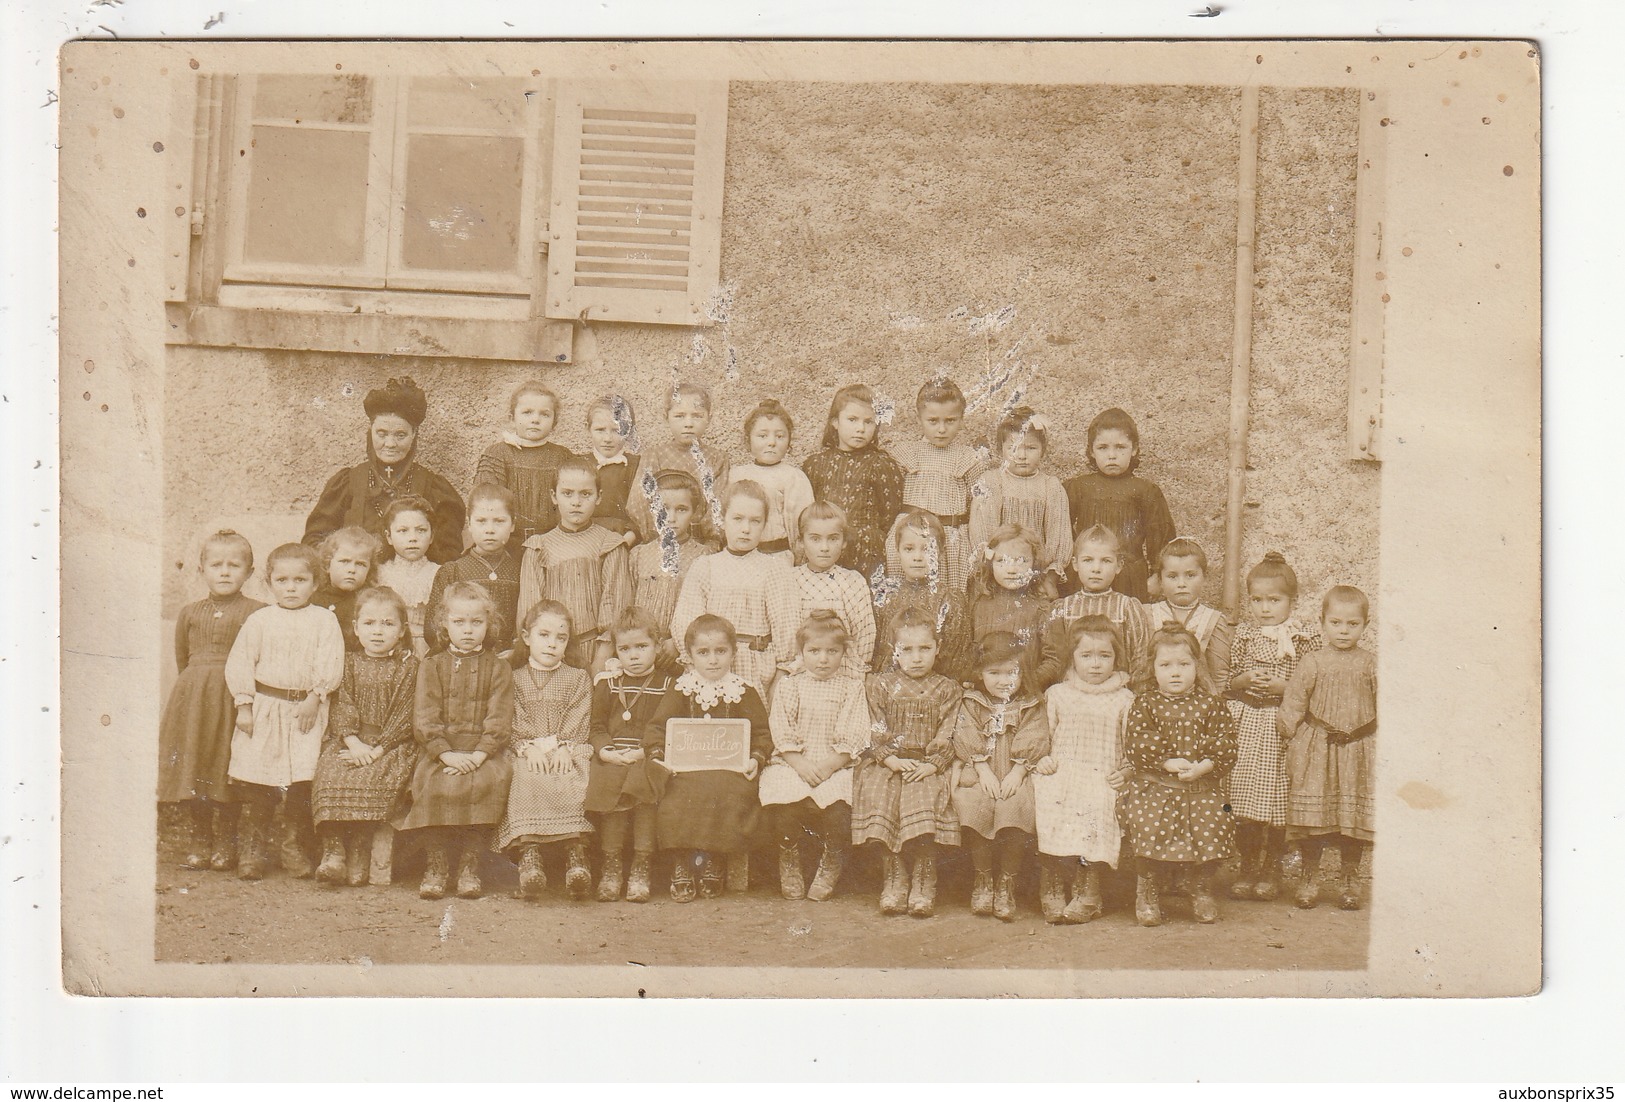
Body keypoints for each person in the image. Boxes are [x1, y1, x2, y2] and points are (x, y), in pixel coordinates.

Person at [223, 543, 346, 881]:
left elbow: (331, 661)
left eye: (300, 580)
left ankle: (293, 846)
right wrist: (244, 705)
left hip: (306, 710)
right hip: (264, 707)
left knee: (300, 782)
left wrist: (316, 696)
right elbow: (241, 663)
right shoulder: (259, 620)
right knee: (257, 780)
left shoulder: (324, 619)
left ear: (315, 583)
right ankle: (253, 848)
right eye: (282, 580)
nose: (291, 588)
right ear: (268, 583)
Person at [393, 581, 514, 900]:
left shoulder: (499, 667)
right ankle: (437, 865)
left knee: (486, 782)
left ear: (489, 624)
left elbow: (499, 719)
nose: (468, 630)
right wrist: (444, 754)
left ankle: (469, 866)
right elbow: (425, 718)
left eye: (477, 622)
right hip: (440, 753)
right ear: (444, 624)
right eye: (459, 622)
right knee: (433, 784)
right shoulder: (432, 665)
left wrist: (479, 754)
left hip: (483, 753)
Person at [1118, 622, 1238, 926]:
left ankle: (1200, 887)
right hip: (1156, 784)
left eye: (1184, 664)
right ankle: (1148, 888)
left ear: (1197, 667)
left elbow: (1226, 744)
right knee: (1147, 821)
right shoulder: (1144, 703)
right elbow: (1138, 742)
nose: (1175, 672)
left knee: (1215, 818)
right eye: (1166, 665)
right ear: (1152, 668)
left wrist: (1204, 766)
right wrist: (1167, 762)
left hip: (1201, 786)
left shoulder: (1212, 704)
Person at [645, 615, 771, 902]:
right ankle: (682, 862)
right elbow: (656, 728)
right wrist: (658, 756)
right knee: (678, 793)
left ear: (733, 653)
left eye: (720, 651)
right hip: (685, 771)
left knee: (728, 790)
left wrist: (755, 758)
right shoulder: (681, 690)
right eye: (703, 653)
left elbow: (763, 734)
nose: (713, 660)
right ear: (689, 657)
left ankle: (715, 859)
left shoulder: (743, 691)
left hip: (728, 770)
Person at [158, 530, 263, 873]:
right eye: (216, 564)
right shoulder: (190, 613)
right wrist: (192, 689)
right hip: (195, 698)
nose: (225, 571)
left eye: (234, 565)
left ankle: (228, 839)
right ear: (201, 569)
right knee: (197, 765)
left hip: (234, 697)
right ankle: (200, 837)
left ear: (249, 571)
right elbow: (182, 658)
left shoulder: (258, 612)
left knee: (226, 766)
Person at [850, 608, 962, 917]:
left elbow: (951, 731)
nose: (916, 657)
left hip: (927, 763)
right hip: (889, 762)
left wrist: (935, 763)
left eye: (925, 649)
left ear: (937, 649)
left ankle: (925, 876)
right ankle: (895, 874)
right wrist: (889, 758)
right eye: (907, 650)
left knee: (923, 795)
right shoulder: (879, 685)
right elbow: (873, 726)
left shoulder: (947, 689)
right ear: (894, 652)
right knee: (882, 793)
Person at [1225, 551, 1320, 902]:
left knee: (1277, 801)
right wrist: (1245, 678)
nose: (1265, 608)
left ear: (1292, 602)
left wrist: (1285, 687)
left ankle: (1272, 867)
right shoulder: (1246, 637)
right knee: (1245, 800)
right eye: (1257, 600)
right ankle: (1248, 863)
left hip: (1283, 727)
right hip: (1250, 723)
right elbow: (1228, 681)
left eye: (1274, 600)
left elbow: (1314, 684)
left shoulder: (1302, 640)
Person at [310, 586, 418, 888]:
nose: (378, 632)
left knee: (376, 778)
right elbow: (342, 703)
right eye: (369, 624)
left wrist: (379, 749)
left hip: (391, 745)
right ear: (356, 628)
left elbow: (405, 712)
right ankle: (334, 851)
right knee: (330, 773)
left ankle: (359, 848)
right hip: (351, 740)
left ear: (401, 630)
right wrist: (353, 742)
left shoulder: (408, 666)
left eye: (388, 624)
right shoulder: (349, 663)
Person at [760, 610, 870, 902]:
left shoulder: (851, 687)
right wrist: (798, 762)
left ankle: (832, 859)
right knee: (783, 797)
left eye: (832, 651)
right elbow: (781, 727)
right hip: (795, 761)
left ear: (843, 653)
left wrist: (832, 763)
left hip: (835, 763)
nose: (823, 659)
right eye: (814, 651)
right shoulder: (790, 685)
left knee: (838, 804)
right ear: (802, 652)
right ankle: (789, 859)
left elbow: (855, 731)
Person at [1279, 585, 1377, 910]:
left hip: (1359, 750)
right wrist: (1289, 730)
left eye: (1353, 624)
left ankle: (1350, 877)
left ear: (1365, 625)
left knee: (1353, 824)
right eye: (1336, 623)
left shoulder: (1371, 664)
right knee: (1316, 819)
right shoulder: (1313, 661)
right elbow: (1295, 699)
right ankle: (1310, 875)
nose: (1344, 630)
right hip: (1319, 749)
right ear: (1323, 623)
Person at [1033, 615, 1135, 924]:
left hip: (1103, 772)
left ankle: (1088, 887)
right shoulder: (1058, 694)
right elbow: (1042, 738)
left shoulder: (1125, 698)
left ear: (1116, 658)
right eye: (1086, 656)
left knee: (1098, 804)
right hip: (1062, 770)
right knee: (1049, 799)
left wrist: (1127, 771)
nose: (1095, 664)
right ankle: (1050, 882)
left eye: (1104, 656)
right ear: (1072, 657)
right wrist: (1043, 759)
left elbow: (1133, 747)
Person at [303, 376, 465, 565]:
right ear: (370, 432)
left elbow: (448, 557)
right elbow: (315, 542)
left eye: (400, 435)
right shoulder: (348, 483)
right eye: (382, 434)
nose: (390, 444)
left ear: (414, 435)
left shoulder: (433, 487)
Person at [497, 601, 596, 902]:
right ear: (527, 637)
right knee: (525, 775)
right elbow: (512, 718)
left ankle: (575, 856)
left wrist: (566, 745)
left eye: (560, 638)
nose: (552, 644)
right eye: (544, 635)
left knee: (573, 772)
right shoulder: (513, 677)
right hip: (528, 749)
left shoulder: (578, 678)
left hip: (568, 746)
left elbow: (580, 716)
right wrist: (527, 746)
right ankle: (530, 856)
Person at [950, 631, 1051, 922]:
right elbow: (965, 733)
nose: (1003, 680)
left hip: (1016, 772)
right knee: (975, 804)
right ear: (980, 674)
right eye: (994, 672)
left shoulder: (1030, 703)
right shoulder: (971, 701)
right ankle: (983, 879)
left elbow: (1036, 735)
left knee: (1015, 808)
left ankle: (1007, 881)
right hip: (980, 769)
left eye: (1011, 672)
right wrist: (982, 768)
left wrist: (1019, 771)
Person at [670, 480, 801, 700]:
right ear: (723, 520)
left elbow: (787, 626)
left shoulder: (775, 568)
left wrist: (780, 676)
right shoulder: (706, 566)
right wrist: (695, 663)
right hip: (710, 667)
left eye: (755, 521)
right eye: (738, 519)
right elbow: (686, 620)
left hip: (759, 670)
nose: (746, 529)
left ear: (764, 524)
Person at [585, 609, 675, 904]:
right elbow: (596, 727)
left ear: (658, 646)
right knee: (610, 784)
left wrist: (646, 752)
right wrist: (606, 751)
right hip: (613, 755)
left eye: (641, 647)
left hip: (648, 754)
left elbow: (665, 727)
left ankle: (641, 865)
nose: (633, 656)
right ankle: (611, 866)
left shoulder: (668, 685)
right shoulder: (607, 683)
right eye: (624, 649)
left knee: (644, 787)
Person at [516, 457, 633, 672]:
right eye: (567, 493)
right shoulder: (539, 548)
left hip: (595, 651)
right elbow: (530, 610)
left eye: (585, 494)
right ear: (554, 496)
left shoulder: (609, 544)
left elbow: (616, 605)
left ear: (599, 497)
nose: (576, 502)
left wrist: (601, 659)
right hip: (549, 652)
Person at [1062, 407, 1175, 600]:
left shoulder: (1146, 491)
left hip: (1130, 577)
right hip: (1087, 575)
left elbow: (1161, 536)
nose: (1112, 455)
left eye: (1120, 447)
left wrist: (1157, 575)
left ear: (1135, 449)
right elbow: (1060, 529)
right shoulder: (1078, 488)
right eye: (1103, 447)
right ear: (1091, 451)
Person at [885, 378, 986, 592]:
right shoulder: (906, 453)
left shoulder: (968, 458)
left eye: (950, 421)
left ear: (961, 420)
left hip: (950, 538)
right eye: (933, 421)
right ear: (919, 418)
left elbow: (978, 506)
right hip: (909, 535)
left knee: (949, 597)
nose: (941, 429)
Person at [802, 384, 905, 582]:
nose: (860, 429)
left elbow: (890, 514)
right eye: (852, 420)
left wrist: (866, 535)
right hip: (825, 548)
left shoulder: (882, 464)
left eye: (868, 422)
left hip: (867, 552)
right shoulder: (816, 464)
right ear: (835, 422)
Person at [1035, 524, 1154, 689]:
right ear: (1075, 564)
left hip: (1117, 693)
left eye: (1105, 561)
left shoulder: (1128, 607)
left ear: (1119, 565)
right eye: (1088, 560)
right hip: (1073, 693)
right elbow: (1056, 659)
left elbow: (1140, 659)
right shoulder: (1063, 608)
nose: (1096, 569)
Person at [968, 405, 1072, 583]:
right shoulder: (992, 482)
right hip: (998, 573)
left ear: (1043, 450)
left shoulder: (1051, 487)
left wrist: (1049, 575)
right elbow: (982, 533)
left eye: (1031, 448)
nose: (1022, 455)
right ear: (1001, 450)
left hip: (1037, 575)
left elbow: (1058, 536)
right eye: (1014, 448)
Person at [871, 508, 971, 683]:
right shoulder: (886, 596)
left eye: (927, 549)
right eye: (909, 549)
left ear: (940, 552)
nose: (918, 557)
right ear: (898, 551)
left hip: (936, 689)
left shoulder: (950, 599)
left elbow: (956, 660)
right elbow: (880, 651)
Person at [626, 471, 713, 669]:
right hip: (641, 652)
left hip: (683, 651)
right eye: (664, 509)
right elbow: (629, 607)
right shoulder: (639, 554)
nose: (671, 518)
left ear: (694, 513)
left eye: (681, 510)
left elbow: (707, 610)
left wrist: (677, 642)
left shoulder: (705, 557)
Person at [473, 380, 572, 551]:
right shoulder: (497, 454)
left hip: (553, 543)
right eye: (527, 412)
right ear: (512, 418)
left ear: (555, 422)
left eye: (545, 414)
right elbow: (486, 504)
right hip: (506, 544)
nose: (535, 419)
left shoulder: (562, 456)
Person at [425, 484, 522, 659]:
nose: (490, 529)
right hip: (462, 660)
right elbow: (433, 629)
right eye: (481, 521)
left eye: (499, 521)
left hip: (508, 662)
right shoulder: (453, 571)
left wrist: (517, 651)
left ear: (513, 524)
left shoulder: (521, 570)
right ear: (469, 524)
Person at [630, 381, 731, 539]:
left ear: (709, 419)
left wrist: (707, 540)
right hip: (660, 540)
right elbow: (638, 504)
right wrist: (656, 537)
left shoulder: (718, 459)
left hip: (701, 542)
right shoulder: (654, 455)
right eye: (680, 416)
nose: (688, 424)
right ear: (666, 417)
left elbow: (718, 505)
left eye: (697, 416)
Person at [789, 501, 876, 679]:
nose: (824, 547)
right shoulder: (791, 579)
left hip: (845, 673)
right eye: (815, 538)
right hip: (800, 673)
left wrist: (857, 671)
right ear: (801, 541)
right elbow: (786, 632)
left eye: (833, 538)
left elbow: (865, 634)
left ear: (844, 542)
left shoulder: (852, 581)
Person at [968, 524, 1056, 691]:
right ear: (990, 563)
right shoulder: (980, 606)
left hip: (1027, 693)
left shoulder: (1041, 608)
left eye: (1021, 561)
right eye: (1002, 561)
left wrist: (1028, 684)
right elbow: (972, 653)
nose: (1012, 569)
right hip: (985, 693)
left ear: (1035, 564)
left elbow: (1053, 659)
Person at [727, 398, 814, 562]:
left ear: (789, 442)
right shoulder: (735, 475)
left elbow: (803, 526)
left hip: (779, 556)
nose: (772, 442)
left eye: (780, 436)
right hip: (740, 557)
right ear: (748, 440)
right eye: (762, 436)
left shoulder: (794, 477)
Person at [1144, 537, 1234, 693]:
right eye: (1172, 576)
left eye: (1190, 575)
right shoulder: (1147, 614)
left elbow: (1219, 675)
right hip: (1154, 700)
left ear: (1205, 577)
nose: (1181, 584)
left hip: (1199, 703)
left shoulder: (1213, 620)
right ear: (1160, 580)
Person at [373, 496, 440, 659]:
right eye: (403, 531)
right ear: (389, 537)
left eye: (421, 530)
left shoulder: (438, 573)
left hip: (427, 650)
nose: (413, 538)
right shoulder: (380, 574)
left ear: (431, 536)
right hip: (388, 647)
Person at [312, 526, 381, 654]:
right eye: (345, 561)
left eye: (360, 564)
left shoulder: (367, 603)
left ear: (369, 570)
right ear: (328, 564)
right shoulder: (313, 599)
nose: (352, 570)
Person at [583, 394, 641, 540]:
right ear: (588, 429)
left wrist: (629, 537)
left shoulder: (636, 466)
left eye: (616, 431)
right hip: (585, 539)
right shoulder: (580, 464)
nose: (608, 438)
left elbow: (642, 511)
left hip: (624, 538)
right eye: (600, 430)